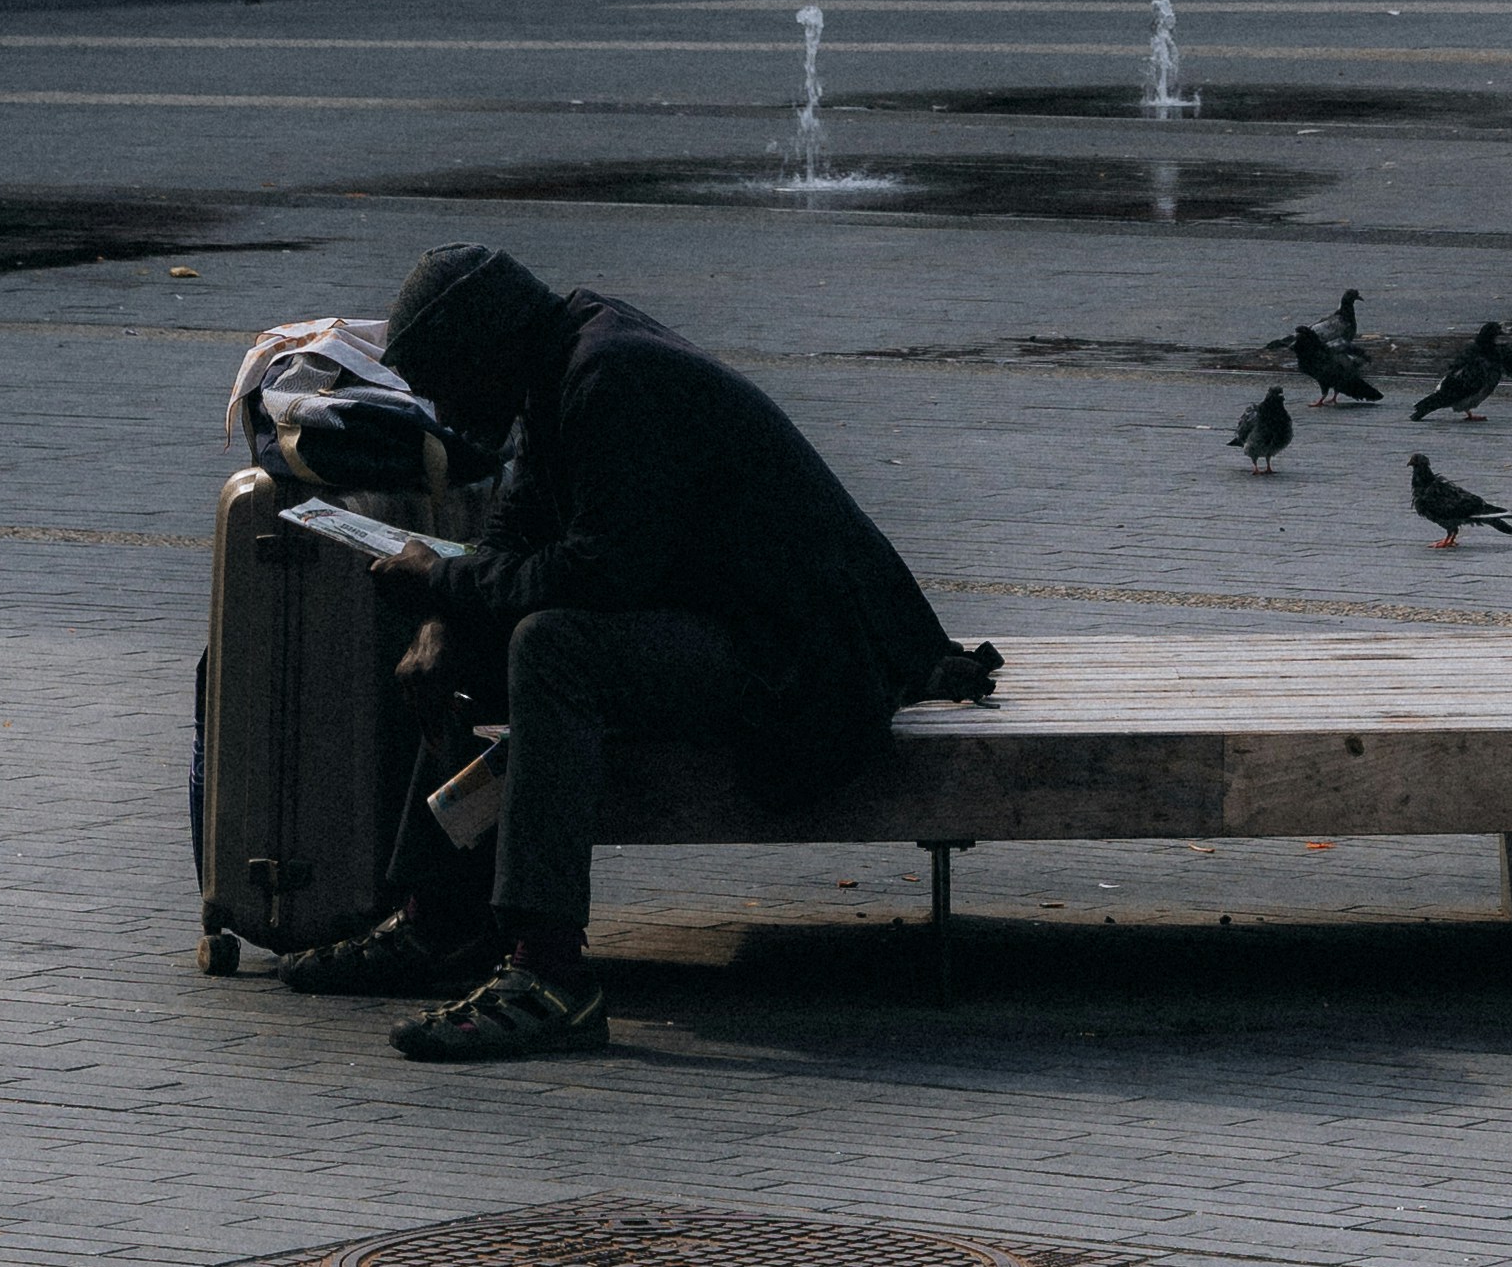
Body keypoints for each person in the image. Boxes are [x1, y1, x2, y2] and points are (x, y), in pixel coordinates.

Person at [277, 241, 995, 1063]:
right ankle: (439, 925)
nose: (442, 407)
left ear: (485, 348)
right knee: (474, 645)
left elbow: (600, 571)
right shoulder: (562, 358)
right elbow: (522, 518)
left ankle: (550, 975)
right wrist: (444, 615)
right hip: (743, 627)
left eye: (445, 380)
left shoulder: (609, 377)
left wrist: (446, 581)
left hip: (803, 662)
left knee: (554, 646)